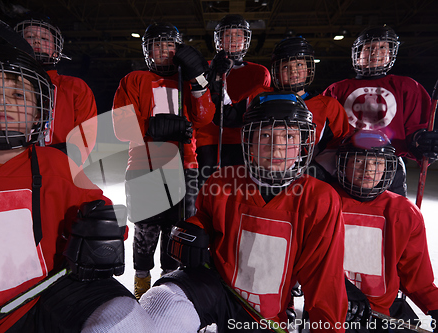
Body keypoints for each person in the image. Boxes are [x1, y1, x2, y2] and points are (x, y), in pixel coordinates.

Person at [0, 45, 153, 332]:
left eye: (18, 94)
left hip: (56, 297)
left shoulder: (54, 163)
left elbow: (105, 215)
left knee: (125, 320)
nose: (4, 103)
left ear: (38, 110)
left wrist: (104, 230)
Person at [139, 92, 348, 332]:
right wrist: (194, 228)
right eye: (266, 135)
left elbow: (325, 282)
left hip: (268, 314)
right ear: (249, 141)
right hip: (217, 289)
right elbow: (208, 219)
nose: (277, 148)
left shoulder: (320, 199)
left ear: (303, 143)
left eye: (289, 136)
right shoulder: (221, 181)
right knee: (161, 305)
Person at [112, 22, 215, 299]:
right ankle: (141, 287)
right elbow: (122, 128)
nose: (165, 51)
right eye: (158, 45)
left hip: (185, 166)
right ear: (148, 51)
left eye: (170, 45)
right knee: (146, 230)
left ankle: (168, 289)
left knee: (176, 230)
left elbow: (205, 117)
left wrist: (199, 81)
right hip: (144, 166)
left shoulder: (189, 79)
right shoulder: (134, 80)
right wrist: (156, 128)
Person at [334, 129, 438, 332]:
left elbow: (417, 277)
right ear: (343, 164)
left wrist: (435, 306)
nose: (368, 170)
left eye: (377, 162)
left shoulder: (404, 212)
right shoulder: (324, 202)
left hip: (380, 314)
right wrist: (339, 287)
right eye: (358, 161)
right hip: (331, 309)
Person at [323, 25, 438, 197]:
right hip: (345, 165)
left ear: (390, 53)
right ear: (358, 53)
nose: (376, 52)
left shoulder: (408, 87)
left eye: (383, 47)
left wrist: (421, 141)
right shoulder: (337, 89)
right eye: (369, 48)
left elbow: (415, 128)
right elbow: (327, 133)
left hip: (389, 167)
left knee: (393, 218)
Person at [249, 36, 350, 182]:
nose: (293, 71)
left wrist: (317, 170)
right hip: (265, 174)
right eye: (285, 67)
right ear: (276, 72)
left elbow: (338, 145)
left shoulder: (329, 106)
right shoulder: (261, 98)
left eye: (299, 65)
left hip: (310, 178)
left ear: (308, 70)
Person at [196, 14, 271, 187]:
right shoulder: (204, 68)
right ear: (219, 40)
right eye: (228, 35)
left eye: (239, 35)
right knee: (207, 191)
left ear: (246, 40)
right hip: (208, 140)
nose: (234, 40)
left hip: (242, 142)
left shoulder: (259, 72)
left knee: (238, 192)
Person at [14, 15, 98, 165]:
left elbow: (86, 135)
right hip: (14, 167)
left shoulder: (74, 87)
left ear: (55, 49)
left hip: (58, 169)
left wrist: (61, 160)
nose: (37, 41)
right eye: (29, 36)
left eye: (45, 39)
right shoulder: (3, 83)